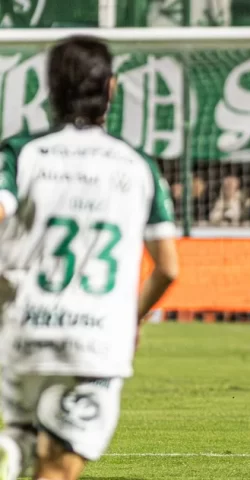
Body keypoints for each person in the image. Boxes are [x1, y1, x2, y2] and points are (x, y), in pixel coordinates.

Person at [0, 35, 178, 480]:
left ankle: (13, 451)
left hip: (24, 331)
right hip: (96, 340)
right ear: (111, 88)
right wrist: (133, 319)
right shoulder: (138, 166)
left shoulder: (22, 153)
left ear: (51, 89)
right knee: (56, 470)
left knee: (23, 447)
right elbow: (168, 268)